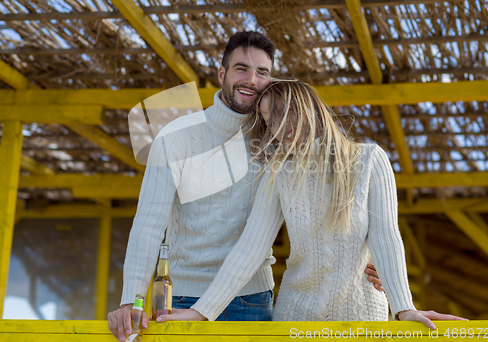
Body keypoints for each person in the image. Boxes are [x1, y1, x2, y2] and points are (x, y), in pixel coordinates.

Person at [108, 32, 383, 341]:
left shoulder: (281, 142)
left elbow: (326, 207)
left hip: (252, 300)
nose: (251, 79)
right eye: (241, 68)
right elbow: (148, 224)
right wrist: (131, 299)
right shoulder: (176, 137)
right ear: (222, 73)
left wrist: (368, 259)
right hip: (183, 297)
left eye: (262, 72)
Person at [157, 80, 467, 328]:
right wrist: (202, 312)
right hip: (296, 318)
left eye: (282, 112)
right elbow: (250, 250)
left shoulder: (369, 160)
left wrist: (404, 308)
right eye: (268, 120)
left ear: (308, 107)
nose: (277, 126)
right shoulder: (279, 173)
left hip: (361, 319)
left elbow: (386, 237)